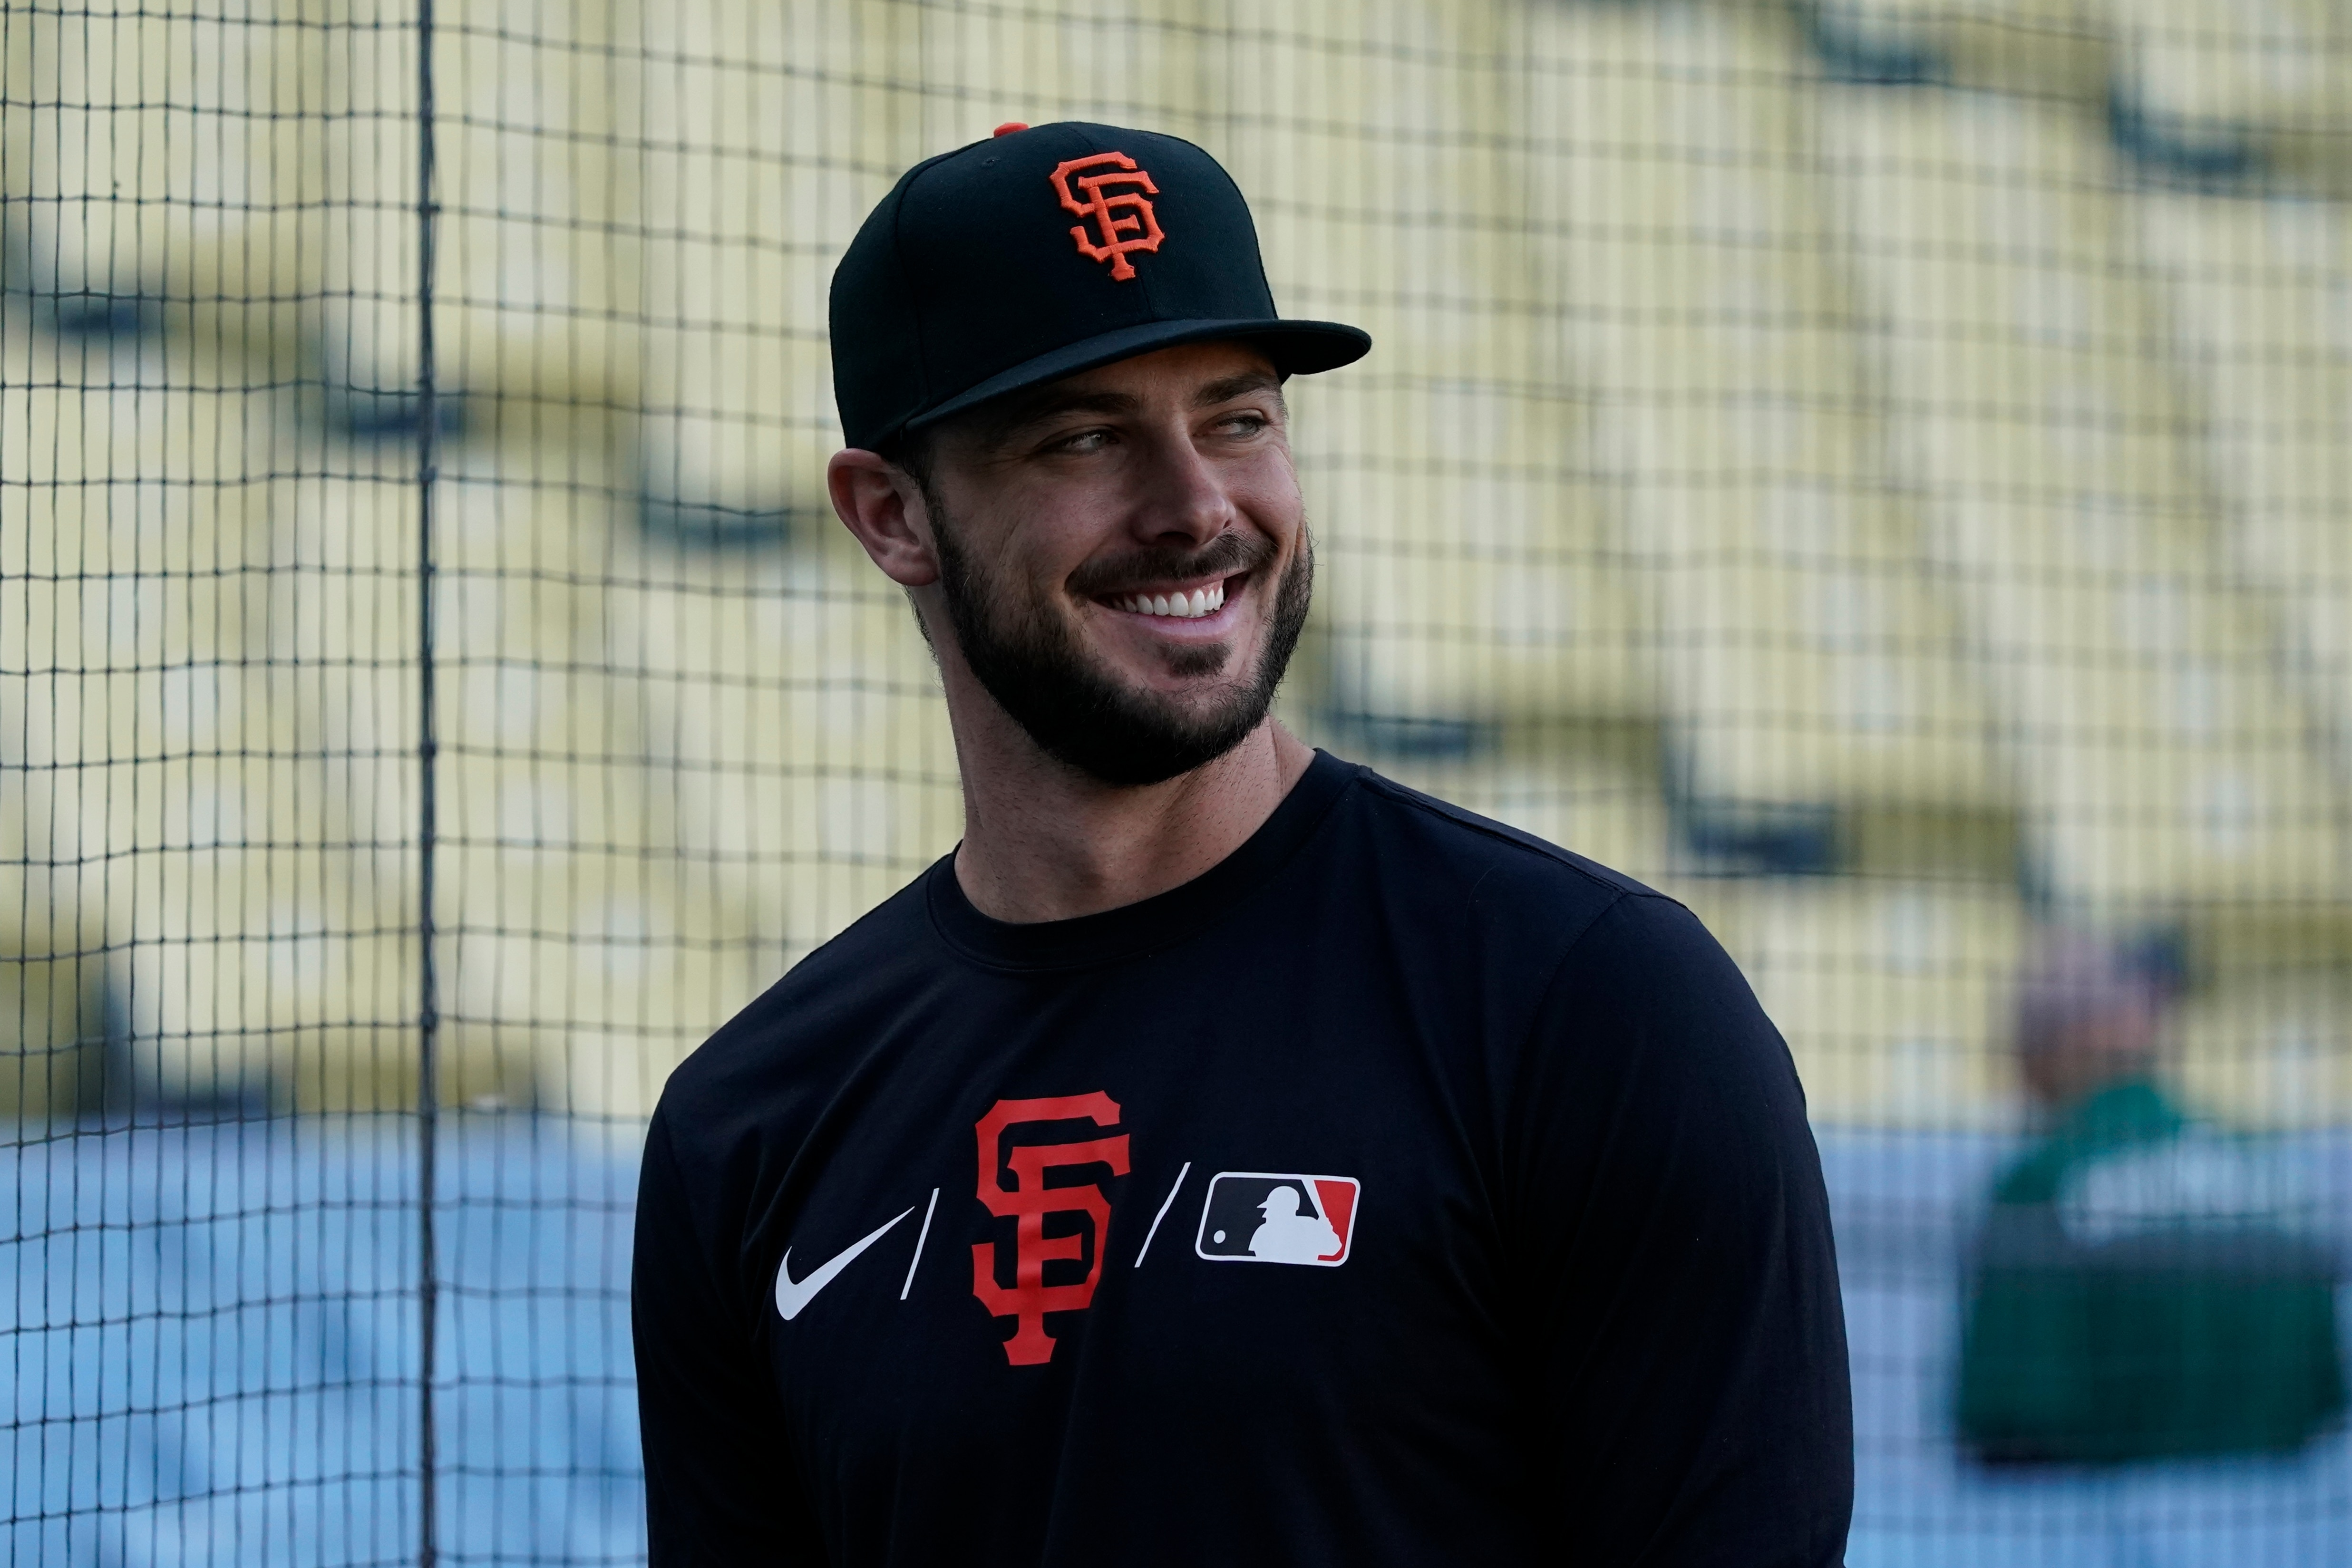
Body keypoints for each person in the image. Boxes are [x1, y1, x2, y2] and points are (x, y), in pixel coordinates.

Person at [632, 120, 1852, 1566]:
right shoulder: (751, 1123)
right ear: (892, 516)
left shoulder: (1588, 1005)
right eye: (1086, 435)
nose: (1198, 506)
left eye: (1237, 417)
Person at [1957, 932, 2345, 1465]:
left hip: (2097, 1538)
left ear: (2055, 1048)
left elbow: (2009, 1428)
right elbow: (2321, 1395)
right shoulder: (2271, 1173)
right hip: (2274, 1535)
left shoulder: (2038, 1185)